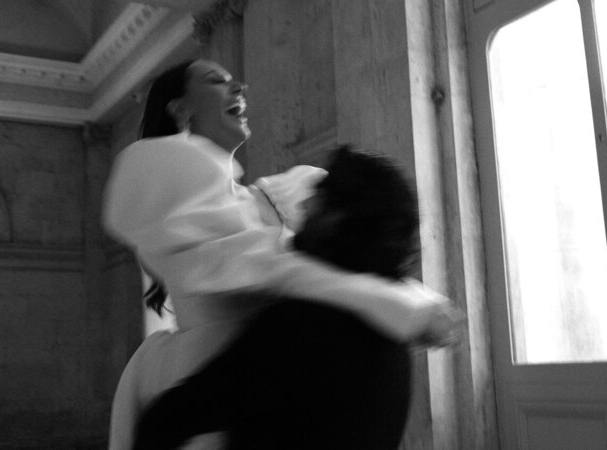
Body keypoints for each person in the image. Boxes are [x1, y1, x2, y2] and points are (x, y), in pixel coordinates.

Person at [102, 59, 463, 449]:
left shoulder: (276, 196)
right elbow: (285, 269)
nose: (239, 86)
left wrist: (411, 299)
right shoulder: (171, 183)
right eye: (216, 81)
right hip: (213, 366)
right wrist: (405, 303)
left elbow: (360, 253)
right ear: (180, 109)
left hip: (275, 371)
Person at [133, 146, 428, 449]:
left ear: (338, 219)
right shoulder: (391, 329)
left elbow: (167, 420)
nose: (306, 204)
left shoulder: (306, 326)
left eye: (320, 196)